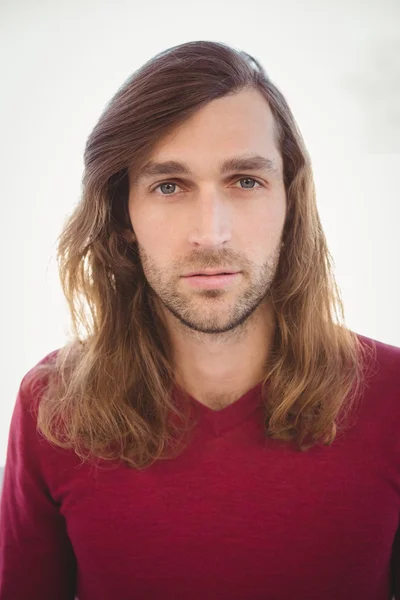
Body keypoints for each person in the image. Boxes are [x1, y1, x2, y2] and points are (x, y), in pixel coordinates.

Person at [0, 40, 399, 600]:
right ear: (122, 215)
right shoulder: (52, 403)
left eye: (246, 181)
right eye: (169, 185)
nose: (211, 234)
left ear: (291, 203)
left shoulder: (395, 395)